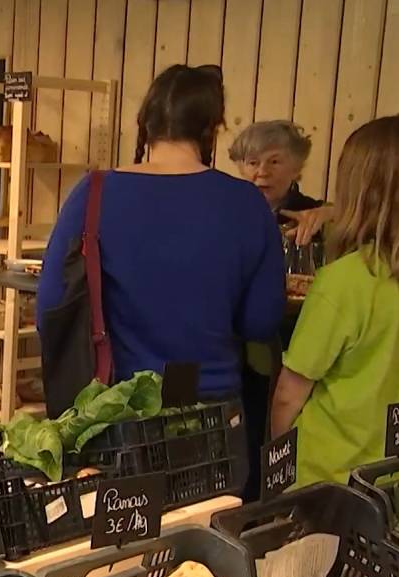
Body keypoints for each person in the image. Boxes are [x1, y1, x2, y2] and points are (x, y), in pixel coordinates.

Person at [37, 65, 285, 401]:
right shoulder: (246, 203)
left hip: (118, 407)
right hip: (213, 406)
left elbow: (51, 307)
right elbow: (261, 322)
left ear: (145, 125)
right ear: (212, 129)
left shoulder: (93, 193)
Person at [271, 114, 399, 487]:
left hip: (326, 478)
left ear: (358, 188)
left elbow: (289, 396)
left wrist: (275, 457)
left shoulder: (344, 281)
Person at [229, 120, 332, 254]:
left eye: (274, 162)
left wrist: (333, 214)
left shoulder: (315, 214)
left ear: (296, 168)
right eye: (253, 163)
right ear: (241, 169)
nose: (263, 172)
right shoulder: (227, 212)